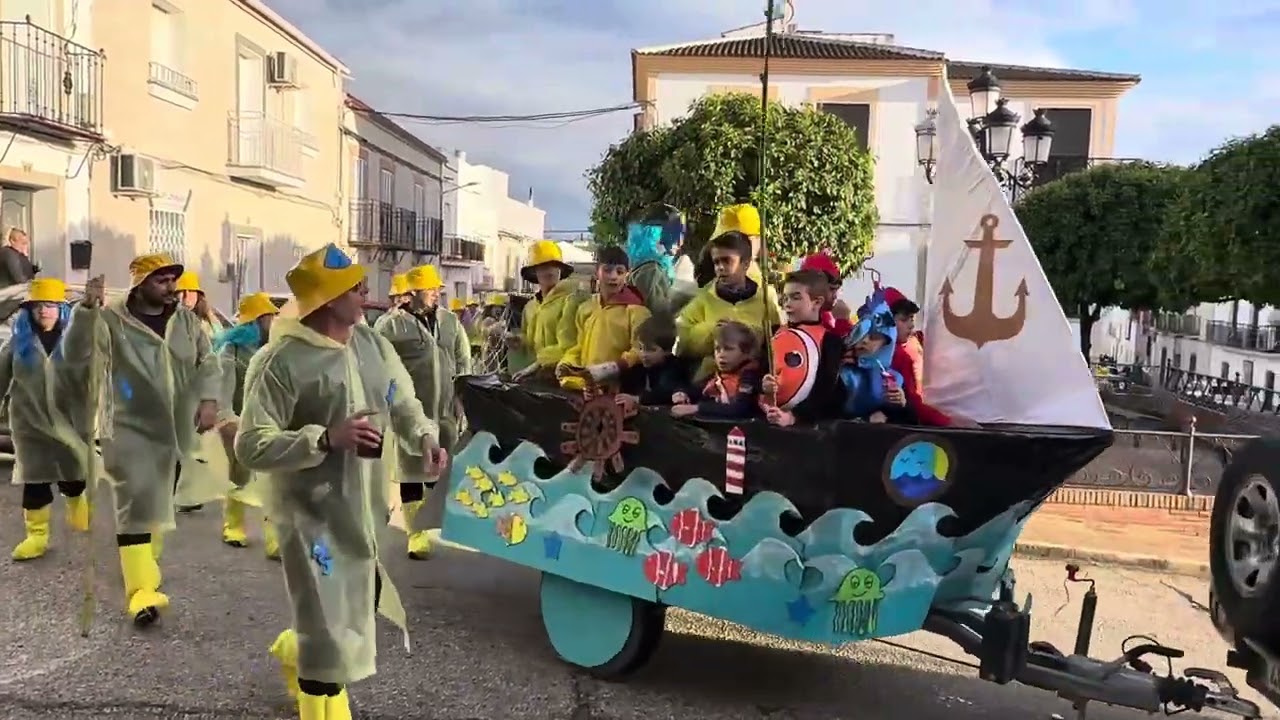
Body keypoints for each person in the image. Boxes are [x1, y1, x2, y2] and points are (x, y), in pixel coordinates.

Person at [233, 244, 446, 720]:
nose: (366, 293)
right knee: (326, 635)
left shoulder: (371, 344)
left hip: (364, 510)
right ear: (328, 300)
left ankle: (297, 648)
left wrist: (425, 437)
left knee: (353, 610)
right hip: (308, 516)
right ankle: (318, 691)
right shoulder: (280, 361)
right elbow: (250, 444)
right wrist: (326, 439)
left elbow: (402, 399)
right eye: (354, 287)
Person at [62, 254, 222, 626]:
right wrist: (86, 311)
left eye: (173, 280)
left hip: (176, 428)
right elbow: (76, 356)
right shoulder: (111, 319)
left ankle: (145, 571)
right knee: (134, 504)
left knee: (157, 504)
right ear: (139, 284)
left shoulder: (185, 321)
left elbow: (208, 361)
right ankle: (140, 592)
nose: (171, 289)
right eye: (161, 281)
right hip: (128, 425)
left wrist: (210, 399)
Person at [375, 263, 470, 560]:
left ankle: (432, 524)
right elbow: (378, 364)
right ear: (412, 292)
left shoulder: (450, 322)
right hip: (411, 410)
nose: (434, 294)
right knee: (411, 470)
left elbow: (462, 358)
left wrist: (463, 396)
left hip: (445, 409)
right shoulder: (391, 326)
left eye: (436, 289)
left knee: (440, 468)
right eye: (429, 289)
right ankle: (415, 534)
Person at [3, 278, 91, 560]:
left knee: (73, 473)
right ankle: (36, 537)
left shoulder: (76, 342)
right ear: (29, 311)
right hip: (30, 423)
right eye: (38, 306)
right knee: (35, 479)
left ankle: (78, 506)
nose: (44, 311)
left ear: (62, 310)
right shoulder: (17, 344)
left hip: (70, 422)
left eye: (50, 306)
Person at [212, 292, 280, 555]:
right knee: (239, 474)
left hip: (271, 421)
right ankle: (234, 525)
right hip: (238, 421)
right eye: (269, 316)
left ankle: (275, 539)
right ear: (258, 319)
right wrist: (227, 419)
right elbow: (224, 387)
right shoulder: (232, 350)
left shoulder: (277, 348)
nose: (274, 320)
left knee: (275, 479)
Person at [677, 230, 781, 380]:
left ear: (746, 263)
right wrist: (713, 330)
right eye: (716, 262)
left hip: (754, 379)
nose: (720, 267)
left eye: (727, 261)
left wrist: (747, 334)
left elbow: (776, 341)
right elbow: (684, 344)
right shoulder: (703, 299)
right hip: (710, 380)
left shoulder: (765, 298)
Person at [557, 246, 650, 391]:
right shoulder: (586, 308)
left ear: (627, 274)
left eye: (620, 272)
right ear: (597, 273)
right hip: (588, 388)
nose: (613, 276)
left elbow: (640, 350)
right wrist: (567, 363)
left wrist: (613, 367)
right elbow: (580, 346)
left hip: (620, 391)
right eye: (607, 270)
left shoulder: (636, 311)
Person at [762, 270, 846, 427]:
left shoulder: (830, 341)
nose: (787, 303)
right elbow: (758, 373)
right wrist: (764, 387)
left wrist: (794, 417)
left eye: (796, 297)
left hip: (809, 427)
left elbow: (825, 389)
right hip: (770, 421)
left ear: (817, 302)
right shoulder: (773, 333)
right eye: (785, 297)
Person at [510, 240, 587, 381]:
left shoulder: (572, 299)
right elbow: (530, 343)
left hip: (563, 377)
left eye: (554, 265)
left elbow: (571, 345)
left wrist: (538, 364)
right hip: (534, 378)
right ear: (535, 272)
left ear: (561, 270)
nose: (549, 270)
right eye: (543, 267)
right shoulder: (530, 307)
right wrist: (517, 341)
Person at [672, 320, 763, 420]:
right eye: (717, 349)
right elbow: (697, 390)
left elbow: (740, 409)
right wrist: (682, 393)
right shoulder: (718, 376)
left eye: (728, 349)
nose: (721, 355)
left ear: (747, 352)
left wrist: (697, 408)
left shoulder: (750, 377)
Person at [839, 302, 912, 424]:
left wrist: (902, 404)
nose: (865, 341)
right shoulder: (842, 374)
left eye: (874, 337)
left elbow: (909, 422)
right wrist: (864, 421)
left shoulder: (895, 379)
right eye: (862, 335)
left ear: (886, 344)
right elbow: (826, 415)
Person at [618, 314, 688, 407]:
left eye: (651, 350)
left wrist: (637, 399)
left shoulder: (673, 368)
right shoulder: (638, 369)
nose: (643, 354)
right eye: (640, 348)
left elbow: (665, 392)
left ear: (667, 351)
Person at [625, 205, 684, 316]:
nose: (679, 242)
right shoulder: (651, 270)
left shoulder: (646, 267)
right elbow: (658, 315)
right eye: (673, 234)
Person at [799, 251, 854, 338]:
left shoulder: (825, 315)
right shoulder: (807, 320)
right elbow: (836, 348)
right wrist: (842, 321)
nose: (835, 295)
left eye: (836, 289)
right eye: (831, 289)